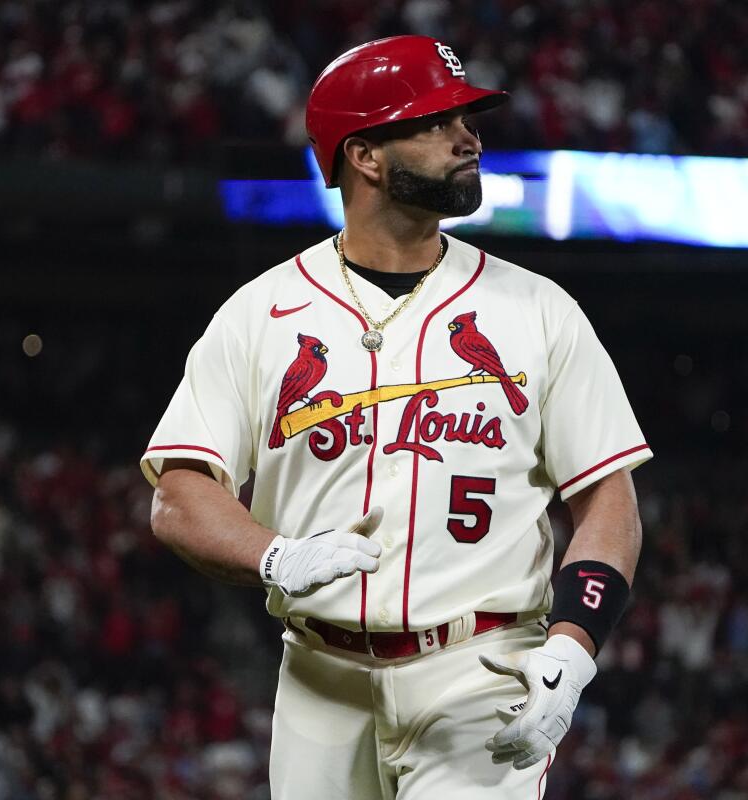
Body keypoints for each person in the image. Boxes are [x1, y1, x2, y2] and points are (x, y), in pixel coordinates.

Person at [142, 35, 651, 799]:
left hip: (480, 674)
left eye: (466, 118)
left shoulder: (540, 311)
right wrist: (273, 555)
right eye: (435, 122)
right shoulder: (260, 315)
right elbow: (180, 493)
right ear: (366, 158)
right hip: (319, 678)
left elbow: (608, 499)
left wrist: (575, 644)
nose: (467, 136)